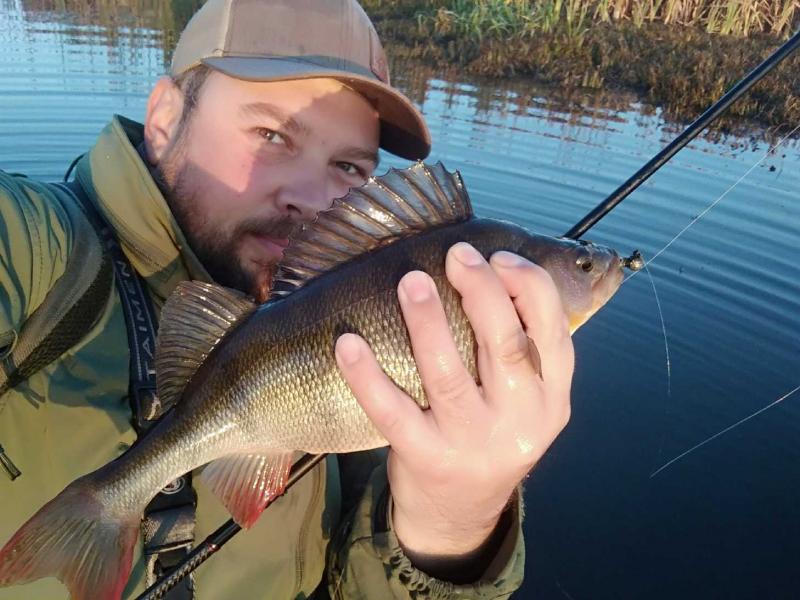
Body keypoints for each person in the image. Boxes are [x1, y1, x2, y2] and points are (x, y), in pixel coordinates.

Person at [0, 0, 575, 598]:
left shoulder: (375, 354)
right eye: (272, 134)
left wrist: (452, 523)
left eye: (348, 166)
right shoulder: (36, 250)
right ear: (165, 119)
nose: (312, 199)